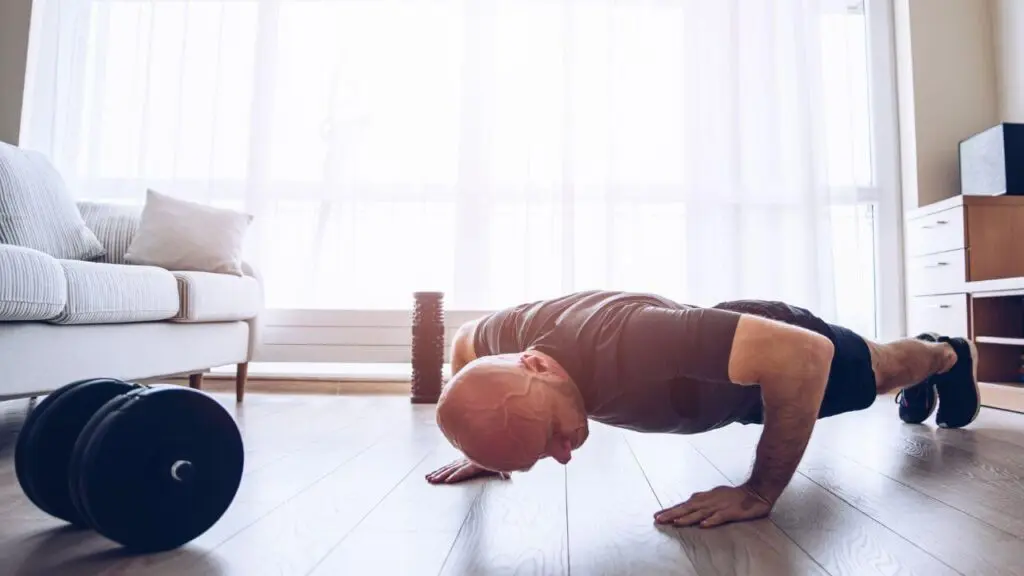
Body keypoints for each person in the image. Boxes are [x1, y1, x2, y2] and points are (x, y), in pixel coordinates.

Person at [424, 290, 979, 528]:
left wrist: (759, 490)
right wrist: (491, 444)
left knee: (880, 372)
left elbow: (807, 354)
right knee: (877, 372)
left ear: (537, 366)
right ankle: (932, 358)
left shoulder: (631, 340)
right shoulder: (505, 341)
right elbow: (467, 343)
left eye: (551, 434)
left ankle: (947, 354)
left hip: (771, 356)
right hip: (721, 379)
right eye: (541, 455)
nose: (564, 455)